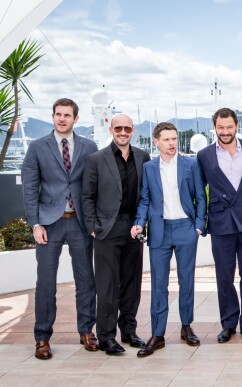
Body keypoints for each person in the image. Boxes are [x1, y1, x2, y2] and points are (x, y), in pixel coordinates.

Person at [21, 98, 99, 360]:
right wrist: (35, 224)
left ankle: (87, 331)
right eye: (58, 114)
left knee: (86, 280)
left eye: (67, 115)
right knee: (45, 283)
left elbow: (94, 187)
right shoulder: (37, 147)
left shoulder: (89, 147)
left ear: (76, 119)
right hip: (49, 224)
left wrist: (93, 222)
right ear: (53, 116)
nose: (61, 119)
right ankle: (42, 337)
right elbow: (30, 189)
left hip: (79, 223)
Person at [130, 122, 206, 357]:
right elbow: (144, 200)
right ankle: (158, 334)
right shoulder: (149, 168)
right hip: (159, 231)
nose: (172, 143)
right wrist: (138, 222)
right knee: (159, 285)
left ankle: (186, 327)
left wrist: (198, 226)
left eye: (174, 139)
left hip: (185, 229)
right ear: (156, 142)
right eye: (167, 139)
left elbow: (200, 197)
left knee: (187, 281)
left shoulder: (190, 164)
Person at [81, 114, 150, 355]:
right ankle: (106, 336)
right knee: (107, 286)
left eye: (127, 128)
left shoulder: (143, 157)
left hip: (134, 228)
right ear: (111, 130)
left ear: (133, 131)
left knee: (132, 284)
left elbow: (146, 194)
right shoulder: (96, 159)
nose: (123, 132)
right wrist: (93, 226)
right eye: (118, 128)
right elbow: (87, 196)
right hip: (107, 230)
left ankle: (129, 331)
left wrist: (142, 223)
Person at [197, 108, 242, 344]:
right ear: (215, 128)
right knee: (224, 277)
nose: (225, 132)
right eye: (220, 127)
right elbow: (198, 192)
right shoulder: (204, 156)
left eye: (229, 127)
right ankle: (228, 324)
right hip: (220, 221)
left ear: (237, 127)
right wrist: (200, 220)